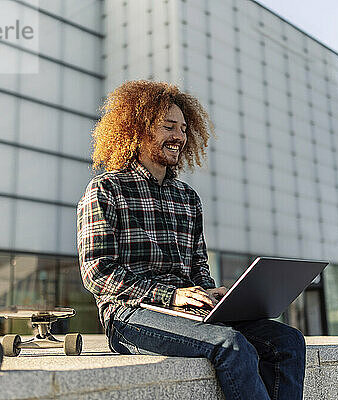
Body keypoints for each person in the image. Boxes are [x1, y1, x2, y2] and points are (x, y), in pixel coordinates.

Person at [77, 80, 306, 400]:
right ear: (137, 129)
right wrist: (171, 296)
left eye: (184, 129)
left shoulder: (187, 197)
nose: (180, 137)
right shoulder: (106, 189)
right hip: (129, 315)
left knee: (288, 342)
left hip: (188, 313)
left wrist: (211, 293)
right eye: (168, 127)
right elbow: (97, 273)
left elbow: (198, 266)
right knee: (231, 345)